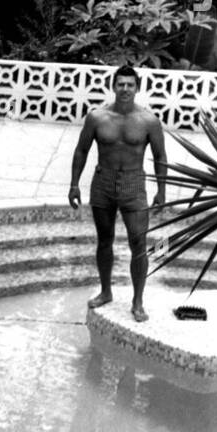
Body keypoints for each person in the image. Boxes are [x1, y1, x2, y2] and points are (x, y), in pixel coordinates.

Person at [69, 65, 167, 322]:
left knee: (139, 243)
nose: (125, 89)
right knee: (104, 240)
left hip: (134, 184)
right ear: (113, 86)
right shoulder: (97, 117)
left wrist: (162, 190)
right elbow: (81, 150)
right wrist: (74, 184)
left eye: (130, 85)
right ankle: (105, 291)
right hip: (103, 182)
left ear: (137, 88)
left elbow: (160, 156)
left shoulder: (148, 121)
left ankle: (137, 301)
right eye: (120, 84)